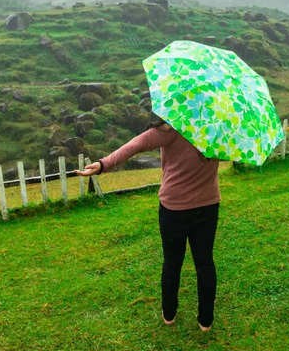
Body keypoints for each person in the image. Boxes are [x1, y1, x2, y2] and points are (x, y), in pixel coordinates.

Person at [75, 116, 220, 332]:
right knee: (205, 262)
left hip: (174, 208)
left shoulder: (170, 128)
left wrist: (103, 164)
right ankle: (205, 321)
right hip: (208, 206)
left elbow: (135, 145)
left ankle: (169, 314)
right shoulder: (217, 129)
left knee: (172, 262)